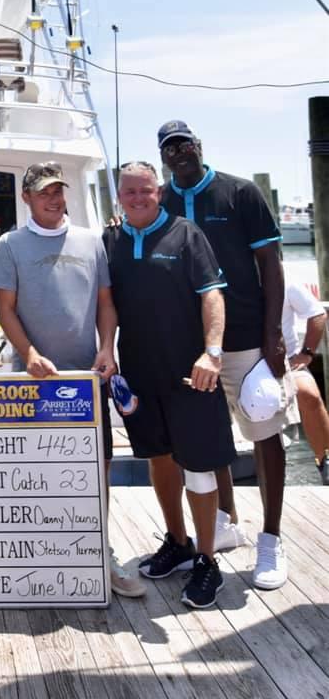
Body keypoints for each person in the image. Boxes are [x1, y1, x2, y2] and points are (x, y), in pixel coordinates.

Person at [0, 160, 144, 599]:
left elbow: (105, 304)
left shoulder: (90, 240)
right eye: (44, 193)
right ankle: (42, 561)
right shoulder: (9, 244)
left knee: (98, 469)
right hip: (33, 384)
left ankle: (100, 553)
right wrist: (30, 353)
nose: (55, 199)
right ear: (27, 198)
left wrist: (106, 347)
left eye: (59, 191)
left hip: (86, 382)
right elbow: (5, 309)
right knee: (36, 473)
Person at [158, 120, 289, 589]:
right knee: (207, 438)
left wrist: (274, 333)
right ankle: (226, 524)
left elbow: (271, 265)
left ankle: (271, 539)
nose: (178, 154)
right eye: (169, 148)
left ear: (198, 145)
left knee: (264, 427)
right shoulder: (160, 199)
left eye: (184, 144)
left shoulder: (241, 193)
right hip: (191, 347)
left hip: (248, 338)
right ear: (163, 156)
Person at [105, 161, 235, 609]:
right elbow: (107, 304)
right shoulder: (112, 240)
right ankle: (177, 542)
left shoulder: (186, 234)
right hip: (140, 372)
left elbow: (213, 294)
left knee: (198, 465)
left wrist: (212, 353)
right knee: (158, 459)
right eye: (129, 192)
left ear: (158, 192)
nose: (137, 198)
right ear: (118, 195)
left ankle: (206, 560)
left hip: (190, 373)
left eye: (145, 190)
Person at [282, 280, 329, 484]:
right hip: (237, 361)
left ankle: (325, 460)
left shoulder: (286, 279)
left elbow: (317, 312)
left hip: (286, 362)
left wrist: (307, 354)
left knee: (309, 394)